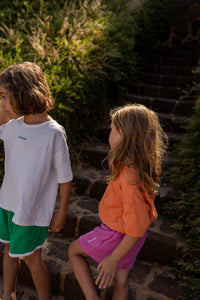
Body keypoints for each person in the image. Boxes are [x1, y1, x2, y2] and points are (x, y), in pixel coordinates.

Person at [68, 103, 168, 300]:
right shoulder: (137, 167)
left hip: (117, 234)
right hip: (130, 237)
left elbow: (136, 228)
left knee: (74, 252)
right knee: (121, 280)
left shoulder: (129, 178)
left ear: (123, 134)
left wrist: (113, 258)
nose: (110, 133)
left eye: (112, 129)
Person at [0, 62, 73, 300]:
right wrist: (5, 107)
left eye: (4, 97)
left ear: (22, 94)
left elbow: (65, 177)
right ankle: (7, 294)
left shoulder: (53, 133)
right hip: (8, 204)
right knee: (9, 251)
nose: (2, 103)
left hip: (32, 211)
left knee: (32, 258)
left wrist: (61, 212)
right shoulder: (11, 128)